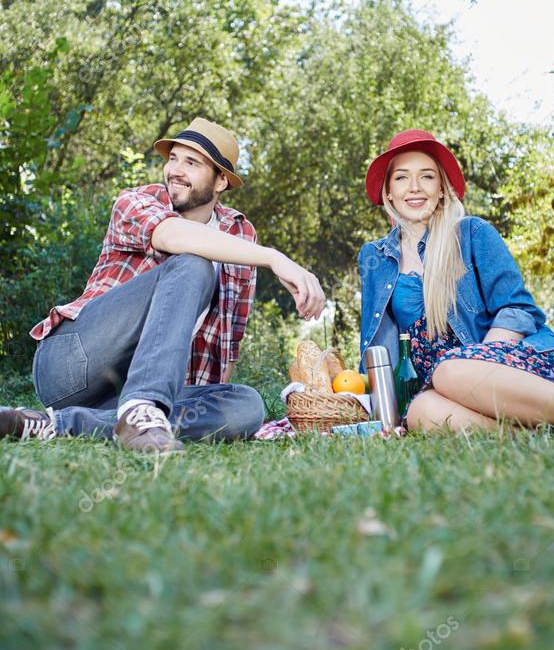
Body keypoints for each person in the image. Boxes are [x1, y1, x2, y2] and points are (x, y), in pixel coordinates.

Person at [0, 118, 325, 453]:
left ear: (221, 182)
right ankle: (141, 408)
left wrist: (210, 398)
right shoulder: (137, 201)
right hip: (71, 364)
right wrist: (273, 257)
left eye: (192, 162)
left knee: (245, 405)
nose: (175, 170)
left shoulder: (241, 235)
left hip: (124, 392)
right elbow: (171, 235)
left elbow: (228, 341)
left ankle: (59, 423)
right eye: (173, 158)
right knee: (192, 262)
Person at [359, 129, 554, 433]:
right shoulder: (375, 258)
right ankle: (533, 434)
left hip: (516, 367)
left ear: (441, 189)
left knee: (450, 370)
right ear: (388, 192)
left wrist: (480, 362)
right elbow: (379, 345)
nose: (414, 187)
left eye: (426, 176)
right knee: (421, 414)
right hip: (441, 387)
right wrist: (382, 410)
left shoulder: (471, 233)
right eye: (401, 178)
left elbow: (517, 310)